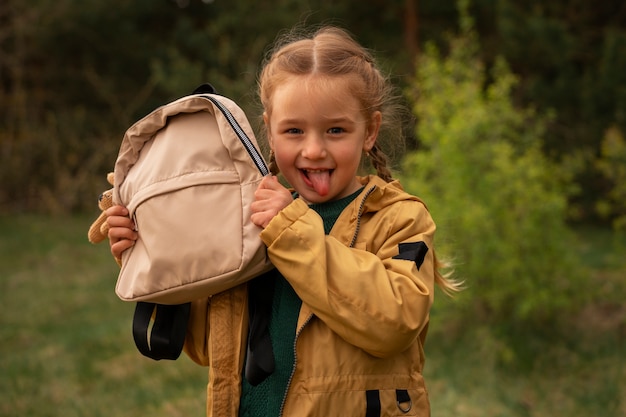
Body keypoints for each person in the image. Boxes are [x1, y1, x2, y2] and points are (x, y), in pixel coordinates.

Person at [106, 26, 460, 417]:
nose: (313, 149)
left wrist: (291, 230)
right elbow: (210, 348)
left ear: (370, 131)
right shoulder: (251, 218)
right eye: (293, 130)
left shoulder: (399, 218)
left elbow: (394, 321)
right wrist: (153, 252)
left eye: (336, 130)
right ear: (270, 134)